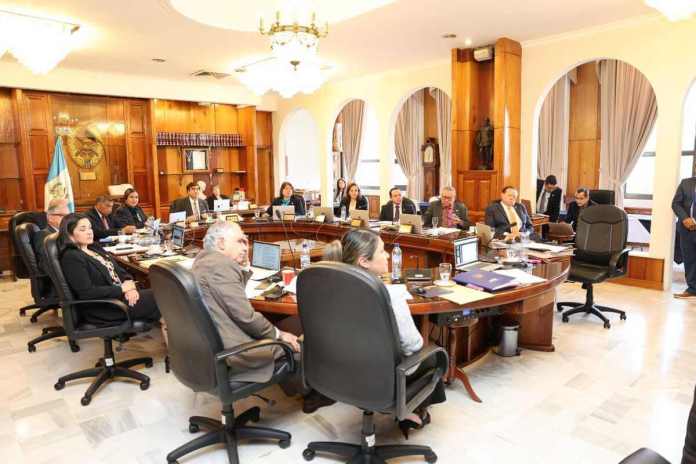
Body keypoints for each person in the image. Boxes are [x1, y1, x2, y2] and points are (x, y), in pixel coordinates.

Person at [324, 228, 446, 438]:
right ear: (364, 261)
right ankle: (410, 410)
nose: (388, 255)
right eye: (382, 251)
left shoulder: (329, 288)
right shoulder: (391, 295)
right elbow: (413, 345)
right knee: (432, 355)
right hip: (382, 378)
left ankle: (408, 410)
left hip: (341, 372)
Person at [192, 222, 301, 378]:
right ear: (221, 243)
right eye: (240, 241)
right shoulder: (220, 267)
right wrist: (280, 334)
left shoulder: (203, 261)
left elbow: (231, 299)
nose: (245, 247)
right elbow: (247, 318)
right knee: (299, 333)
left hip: (214, 344)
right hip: (237, 349)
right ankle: (308, 390)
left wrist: (243, 268)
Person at [57, 213, 160, 326]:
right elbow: (87, 292)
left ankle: (173, 336)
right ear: (70, 234)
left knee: (166, 299)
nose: (89, 231)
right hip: (106, 306)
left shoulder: (94, 247)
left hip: (120, 297)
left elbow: (120, 270)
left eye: (90, 228)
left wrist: (129, 286)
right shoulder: (71, 257)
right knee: (165, 297)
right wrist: (122, 289)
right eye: (83, 229)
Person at [672, 177, 696, 299]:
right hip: (687, 228)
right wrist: (685, 218)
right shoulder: (686, 183)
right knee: (690, 259)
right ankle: (692, 288)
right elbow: (676, 203)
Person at [33, 199, 69, 278]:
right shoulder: (43, 235)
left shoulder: (66, 233)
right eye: (63, 216)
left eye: (68, 216)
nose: (67, 220)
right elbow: (46, 262)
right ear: (50, 217)